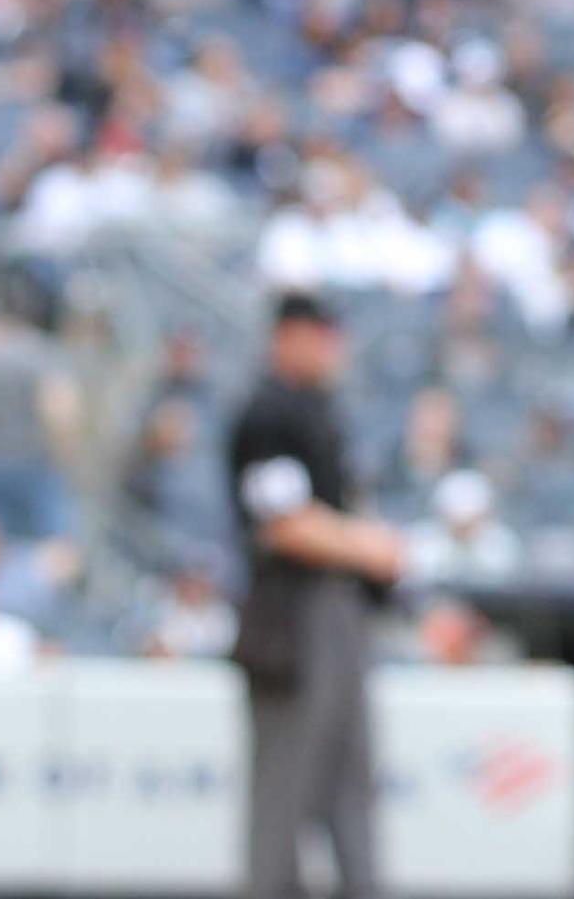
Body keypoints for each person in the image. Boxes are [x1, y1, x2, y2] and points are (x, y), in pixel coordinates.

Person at [228, 292, 407, 899]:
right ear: (290, 337)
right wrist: (368, 545)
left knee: (349, 777)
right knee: (286, 782)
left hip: (341, 610)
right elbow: (282, 521)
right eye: (321, 335)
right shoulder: (269, 411)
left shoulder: (320, 410)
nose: (333, 348)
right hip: (293, 618)